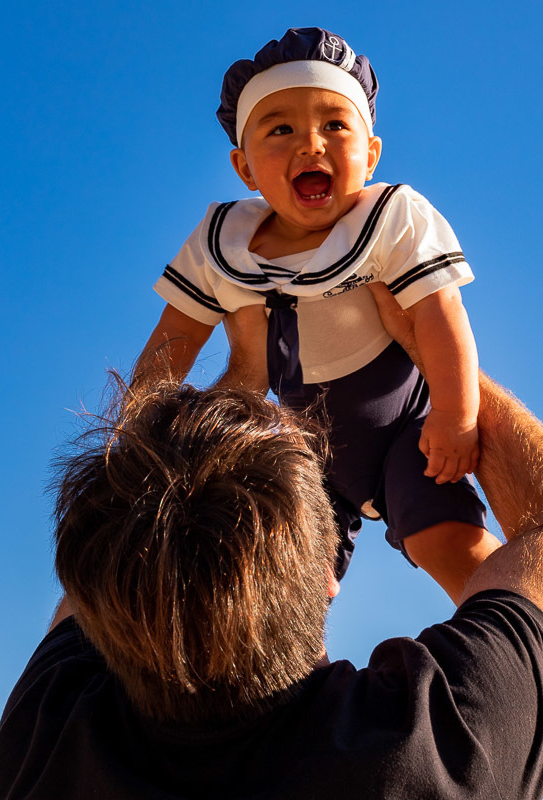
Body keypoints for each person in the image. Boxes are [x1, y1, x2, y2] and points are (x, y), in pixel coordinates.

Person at [0, 283, 543, 799]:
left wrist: (240, 377)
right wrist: (431, 359)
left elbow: (104, 559)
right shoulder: (432, 754)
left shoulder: (45, 748)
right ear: (327, 577)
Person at [135, 27, 488, 582]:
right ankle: (299, 666)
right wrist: (136, 436)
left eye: (334, 125)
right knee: (279, 583)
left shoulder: (391, 218)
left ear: (371, 154)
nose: (311, 143)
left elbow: (439, 313)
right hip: (306, 457)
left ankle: (505, 625)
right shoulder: (220, 242)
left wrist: (454, 413)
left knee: (445, 542)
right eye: (280, 129)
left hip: (409, 430)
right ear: (245, 168)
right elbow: (170, 344)